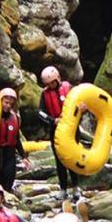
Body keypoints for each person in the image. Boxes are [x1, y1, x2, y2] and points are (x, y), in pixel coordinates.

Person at [38, 66, 82, 203]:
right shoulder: (44, 95)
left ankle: (76, 187)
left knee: (72, 157)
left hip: (72, 129)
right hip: (56, 130)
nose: (50, 85)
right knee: (60, 161)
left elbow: (80, 104)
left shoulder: (68, 88)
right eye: (48, 83)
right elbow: (41, 113)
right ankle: (63, 189)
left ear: (58, 79)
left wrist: (81, 111)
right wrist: (53, 121)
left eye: (52, 82)